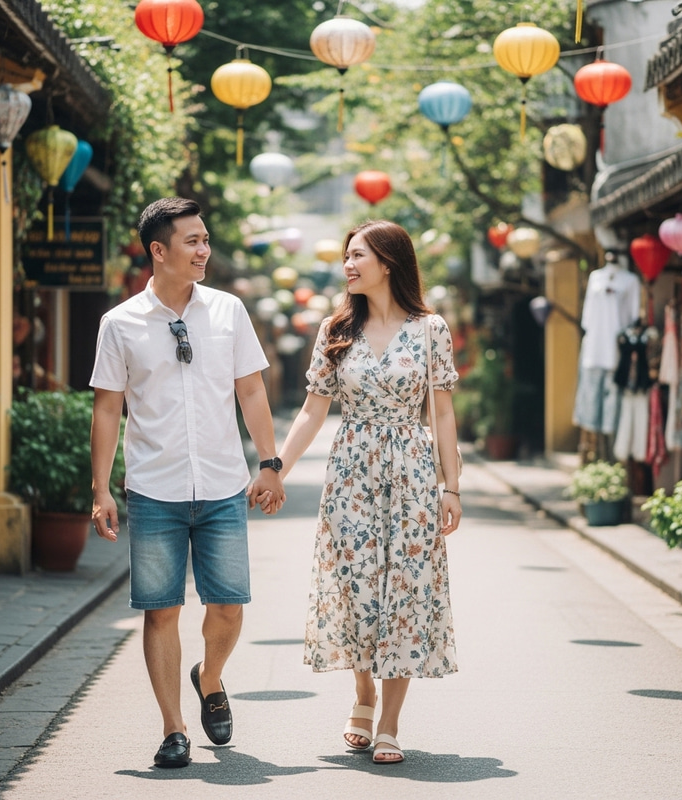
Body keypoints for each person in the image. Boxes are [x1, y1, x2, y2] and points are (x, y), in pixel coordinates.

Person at [89, 197, 285, 769]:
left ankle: (211, 676)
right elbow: (107, 409)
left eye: (205, 239)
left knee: (226, 606)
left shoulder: (228, 311)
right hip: (154, 488)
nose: (205, 250)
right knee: (161, 610)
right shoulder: (119, 323)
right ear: (159, 251)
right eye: (193, 241)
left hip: (223, 484)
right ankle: (174, 729)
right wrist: (100, 487)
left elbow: (251, 391)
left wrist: (269, 464)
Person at [275, 219, 462, 765]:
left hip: (412, 472)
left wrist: (451, 487)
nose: (349, 265)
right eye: (346, 257)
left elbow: (442, 413)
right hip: (352, 473)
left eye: (358, 255)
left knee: (405, 590)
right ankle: (362, 690)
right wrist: (275, 469)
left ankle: (389, 722)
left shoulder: (431, 330)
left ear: (389, 262)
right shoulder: (337, 329)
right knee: (356, 589)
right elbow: (313, 410)